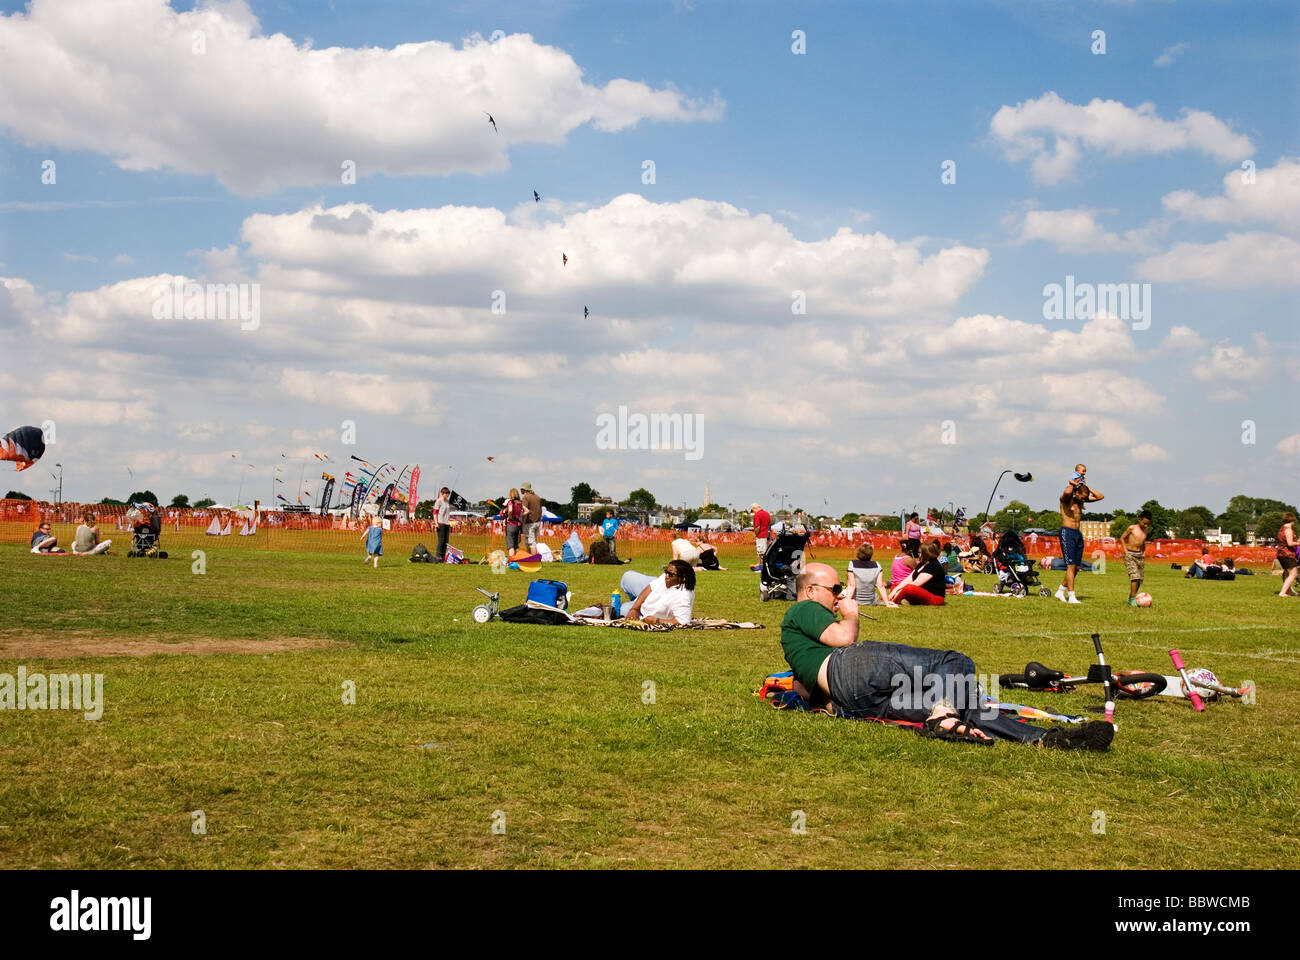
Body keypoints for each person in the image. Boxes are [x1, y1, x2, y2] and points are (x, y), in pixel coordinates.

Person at [779, 563, 1113, 749]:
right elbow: (843, 638)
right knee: (955, 662)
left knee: (963, 701)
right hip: (853, 668)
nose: (839, 595)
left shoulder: (797, 644)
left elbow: (805, 691)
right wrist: (850, 612)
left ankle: (1044, 739)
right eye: (834, 589)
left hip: (855, 699)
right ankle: (944, 715)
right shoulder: (803, 608)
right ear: (810, 591)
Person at [1056, 463, 1103, 604]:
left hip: (1077, 534)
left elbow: (1100, 496)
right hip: (1067, 532)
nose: (1084, 500)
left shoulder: (1081, 497)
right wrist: (1072, 484)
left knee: (1076, 567)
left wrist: (1085, 487)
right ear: (1076, 493)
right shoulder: (1067, 499)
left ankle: (1060, 591)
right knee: (1070, 566)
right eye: (1082, 497)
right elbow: (1067, 493)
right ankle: (1071, 596)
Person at [620, 560, 695, 625]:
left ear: (683, 578)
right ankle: (635, 602)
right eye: (666, 572)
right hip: (650, 594)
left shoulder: (683, 597)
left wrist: (656, 621)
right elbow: (650, 587)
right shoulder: (667, 578)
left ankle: (635, 602)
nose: (666, 576)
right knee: (627, 576)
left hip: (646, 613)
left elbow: (683, 621)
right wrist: (634, 608)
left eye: (670, 574)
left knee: (623, 610)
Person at [888, 540, 947, 606]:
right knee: (895, 586)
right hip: (921, 592)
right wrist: (895, 590)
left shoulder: (934, 565)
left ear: (927, 554)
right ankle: (905, 600)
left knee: (910, 588)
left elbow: (916, 583)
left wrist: (898, 592)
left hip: (934, 597)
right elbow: (910, 578)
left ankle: (892, 600)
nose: (919, 555)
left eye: (921, 553)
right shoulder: (922, 563)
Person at [1119, 510, 1152, 605]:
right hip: (1130, 555)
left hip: (1139, 556)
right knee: (1135, 577)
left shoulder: (1146, 530)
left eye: (1147, 524)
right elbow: (1122, 538)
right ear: (1139, 519)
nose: (1146, 525)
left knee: (1140, 579)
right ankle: (1133, 598)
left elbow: (1143, 542)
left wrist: (1144, 552)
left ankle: (1131, 597)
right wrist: (1125, 551)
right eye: (1144, 523)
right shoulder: (1132, 528)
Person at [1276, 513, 1298, 597]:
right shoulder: (1288, 530)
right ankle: (1282, 593)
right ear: (1292, 521)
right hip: (1287, 554)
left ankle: (1289, 592)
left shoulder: (1282, 529)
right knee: (1293, 573)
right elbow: (1290, 543)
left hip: (1281, 554)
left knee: (1287, 573)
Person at [502, 488, 525, 553]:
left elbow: (510, 510)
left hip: (511, 525)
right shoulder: (520, 503)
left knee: (510, 546)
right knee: (516, 546)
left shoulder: (510, 502)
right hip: (518, 526)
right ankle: (516, 560)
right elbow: (526, 511)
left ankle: (512, 561)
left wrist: (509, 517)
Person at [521, 482, 542, 552]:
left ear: (524, 489)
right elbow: (540, 510)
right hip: (538, 522)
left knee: (531, 543)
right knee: (533, 541)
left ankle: (533, 561)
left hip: (529, 523)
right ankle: (530, 559)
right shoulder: (537, 497)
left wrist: (522, 521)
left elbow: (525, 510)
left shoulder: (525, 497)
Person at [433, 488, 451, 562]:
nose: (447, 495)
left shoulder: (447, 501)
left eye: (448, 493)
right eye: (446, 493)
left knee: (446, 541)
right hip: (440, 523)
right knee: (441, 541)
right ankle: (438, 557)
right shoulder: (439, 501)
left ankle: (443, 557)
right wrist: (436, 523)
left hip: (447, 523)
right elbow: (435, 512)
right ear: (442, 493)